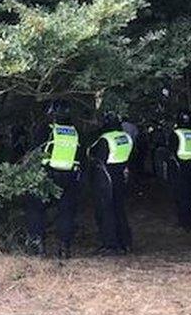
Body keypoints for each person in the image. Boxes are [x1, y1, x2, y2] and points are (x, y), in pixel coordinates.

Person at [25, 100, 82, 259]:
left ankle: (38, 246)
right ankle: (64, 248)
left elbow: (35, 152)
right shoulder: (75, 132)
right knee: (66, 213)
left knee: (35, 208)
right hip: (70, 177)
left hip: (47, 175)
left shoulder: (48, 130)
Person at [88, 111, 133, 255]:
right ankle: (125, 242)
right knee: (119, 209)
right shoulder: (126, 137)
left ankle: (110, 244)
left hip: (106, 177)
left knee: (106, 210)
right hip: (121, 175)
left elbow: (95, 156)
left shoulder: (105, 139)